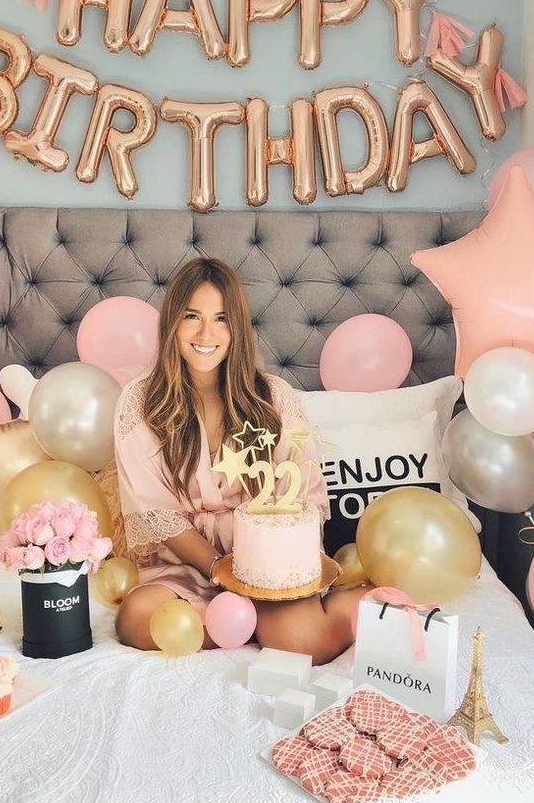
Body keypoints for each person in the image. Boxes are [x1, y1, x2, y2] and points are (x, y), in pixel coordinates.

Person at [114, 258, 368, 664]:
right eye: (191, 316)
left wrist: (257, 571)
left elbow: (303, 493)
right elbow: (155, 510)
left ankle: (340, 605)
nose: (205, 334)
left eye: (221, 319)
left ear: (237, 328)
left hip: (264, 564)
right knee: (137, 619)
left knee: (304, 646)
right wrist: (217, 569)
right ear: (171, 324)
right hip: (186, 564)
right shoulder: (141, 402)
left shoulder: (273, 396)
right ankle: (249, 626)